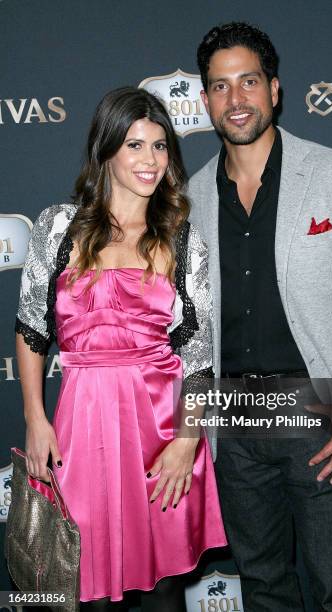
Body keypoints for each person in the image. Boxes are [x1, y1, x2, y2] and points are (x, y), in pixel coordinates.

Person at [188, 22, 332, 612]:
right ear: (205, 100)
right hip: (233, 421)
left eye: (249, 81)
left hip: (323, 410)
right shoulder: (191, 196)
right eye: (220, 86)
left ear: (275, 89)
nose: (236, 100)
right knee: (263, 590)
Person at [15, 86, 227, 611]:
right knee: (84, 585)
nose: (149, 160)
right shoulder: (58, 226)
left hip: (160, 434)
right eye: (134, 145)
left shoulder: (181, 238)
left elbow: (198, 357)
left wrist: (185, 442)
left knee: (164, 590)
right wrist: (35, 420)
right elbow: (31, 331)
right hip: (80, 429)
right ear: (106, 149)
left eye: (159, 146)